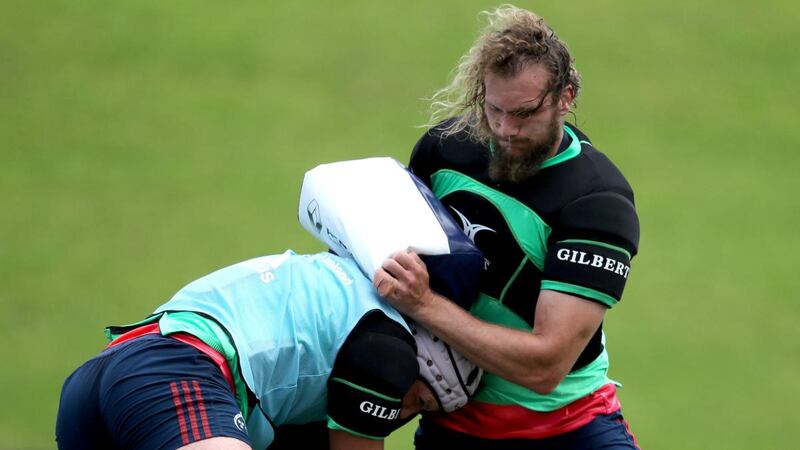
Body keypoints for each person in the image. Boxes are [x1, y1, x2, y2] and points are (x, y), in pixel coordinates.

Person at [374, 5, 641, 450]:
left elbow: (545, 366)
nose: (505, 129)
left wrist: (424, 304)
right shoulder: (445, 150)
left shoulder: (596, 201)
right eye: (493, 109)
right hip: (455, 425)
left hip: (570, 431)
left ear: (565, 97)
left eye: (524, 113)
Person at [56, 250, 475, 450]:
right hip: (178, 376)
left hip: (107, 378)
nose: (401, 415)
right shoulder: (388, 350)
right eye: (418, 399)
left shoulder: (347, 292)